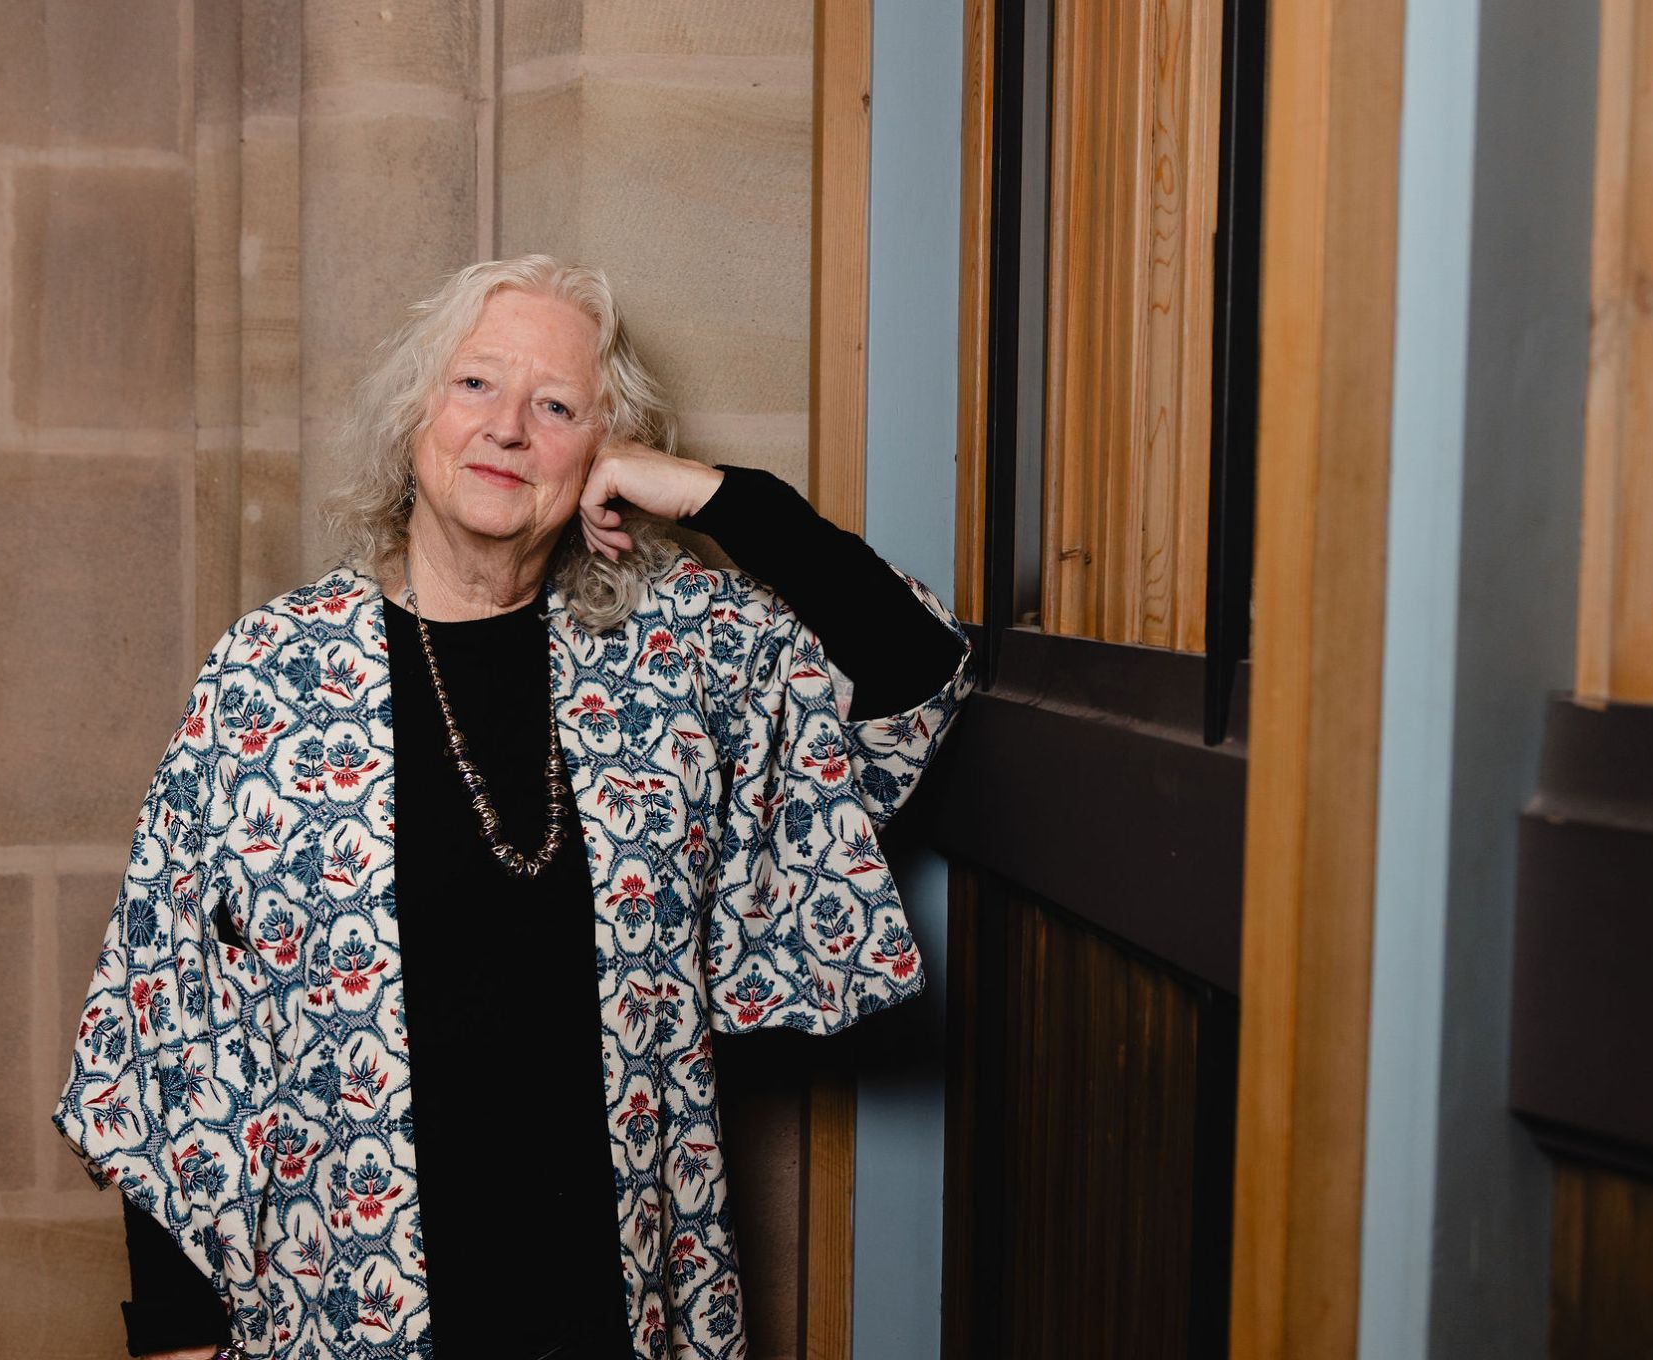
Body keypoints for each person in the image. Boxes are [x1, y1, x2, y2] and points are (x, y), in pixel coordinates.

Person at [53, 255, 973, 1360]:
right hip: (343, 1309)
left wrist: (717, 494)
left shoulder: (677, 660)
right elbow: (167, 1024)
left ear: (600, 453)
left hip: (612, 1305)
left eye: (557, 406)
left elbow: (916, 667)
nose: (508, 430)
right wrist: (174, 1334)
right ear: (415, 418)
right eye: (476, 386)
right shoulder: (270, 678)